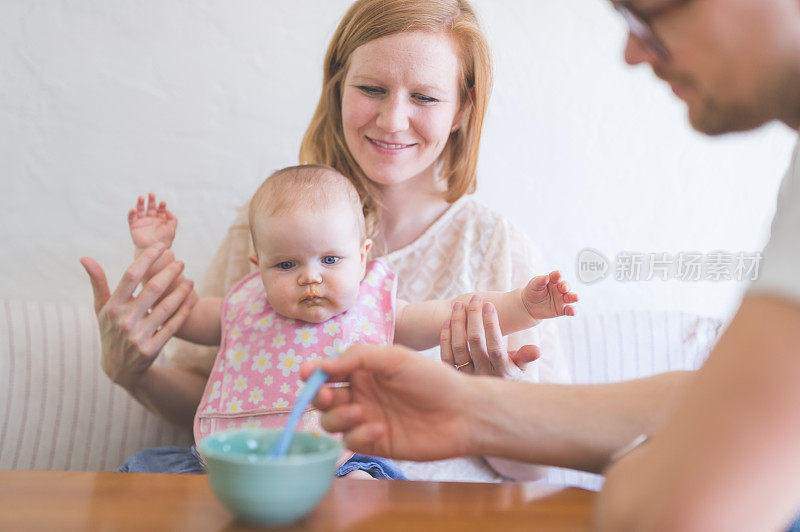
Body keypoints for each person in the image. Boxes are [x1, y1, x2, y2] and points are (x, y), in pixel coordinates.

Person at [302, 0, 800, 529]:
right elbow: (704, 399)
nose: (631, 50)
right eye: (372, 88)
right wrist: (474, 409)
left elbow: (672, 511)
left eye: (649, 11)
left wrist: (638, 466)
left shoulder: (492, 240)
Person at [80, 0, 571, 481]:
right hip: (268, 495)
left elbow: (538, 469)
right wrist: (133, 372)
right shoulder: (269, 230)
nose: (393, 119)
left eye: (424, 97)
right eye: (372, 88)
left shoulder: (495, 245)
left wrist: (496, 406)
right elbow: (228, 396)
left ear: (462, 108)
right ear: (338, 86)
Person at [125, 166, 577, 478]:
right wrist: (153, 255)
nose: (310, 277)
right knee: (142, 473)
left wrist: (524, 304)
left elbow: (455, 313)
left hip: (342, 466)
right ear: (256, 264)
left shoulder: (376, 309)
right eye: (285, 265)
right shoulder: (244, 305)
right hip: (229, 465)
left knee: (366, 492)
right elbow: (176, 312)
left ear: (362, 258)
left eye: (330, 259)